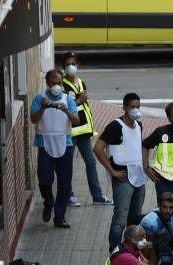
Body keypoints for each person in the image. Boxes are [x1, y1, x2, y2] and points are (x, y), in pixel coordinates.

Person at [95, 92, 148, 251]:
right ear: (124, 107)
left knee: (135, 217)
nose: (135, 110)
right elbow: (98, 148)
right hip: (123, 179)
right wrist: (112, 171)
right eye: (132, 107)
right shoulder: (115, 126)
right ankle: (115, 251)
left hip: (138, 178)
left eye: (137, 107)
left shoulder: (139, 126)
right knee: (120, 219)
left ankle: (131, 248)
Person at [30, 69, 80, 229]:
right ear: (47, 83)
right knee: (45, 179)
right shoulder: (39, 98)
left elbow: (76, 120)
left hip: (65, 144)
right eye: (53, 82)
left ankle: (59, 217)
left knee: (64, 183)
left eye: (59, 83)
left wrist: (65, 110)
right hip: (45, 144)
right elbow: (33, 119)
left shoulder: (68, 99)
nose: (56, 86)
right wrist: (44, 107)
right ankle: (48, 201)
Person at [61, 52, 112, 207]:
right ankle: (68, 195)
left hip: (83, 131)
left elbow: (86, 106)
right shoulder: (62, 85)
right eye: (68, 64)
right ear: (63, 67)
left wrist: (91, 126)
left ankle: (97, 196)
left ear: (78, 65)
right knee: (67, 165)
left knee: (91, 162)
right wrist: (78, 101)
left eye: (73, 64)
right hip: (70, 132)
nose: (71, 67)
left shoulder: (81, 82)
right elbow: (63, 108)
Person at [140, 192, 173, 265]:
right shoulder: (151, 222)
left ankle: (166, 255)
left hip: (161, 237)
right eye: (164, 207)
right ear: (159, 206)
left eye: (171, 207)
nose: (167, 211)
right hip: (145, 242)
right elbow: (148, 247)